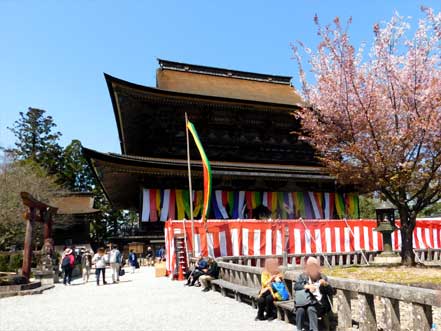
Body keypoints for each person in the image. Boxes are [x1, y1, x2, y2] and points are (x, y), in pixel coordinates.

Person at [294, 257, 334, 331]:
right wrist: (307, 286)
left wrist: (325, 284)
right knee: (300, 309)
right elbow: (296, 286)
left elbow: (331, 292)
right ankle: (299, 328)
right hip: (305, 302)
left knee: (311, 308)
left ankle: (314, 329)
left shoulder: (322, 277)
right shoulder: (302, 276)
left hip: (320, 304)